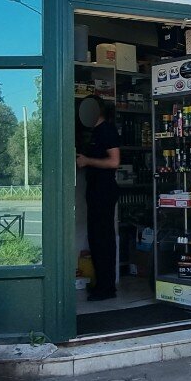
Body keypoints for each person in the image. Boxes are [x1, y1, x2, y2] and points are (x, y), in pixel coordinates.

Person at [76, 96, 121, 301]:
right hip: (95, 190)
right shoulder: (95, 132)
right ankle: (102, 284)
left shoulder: (107, 131)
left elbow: (114, 162)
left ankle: (106, 287)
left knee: (103, 239)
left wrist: (87, 161)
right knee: (96, 238)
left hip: (104, 191)